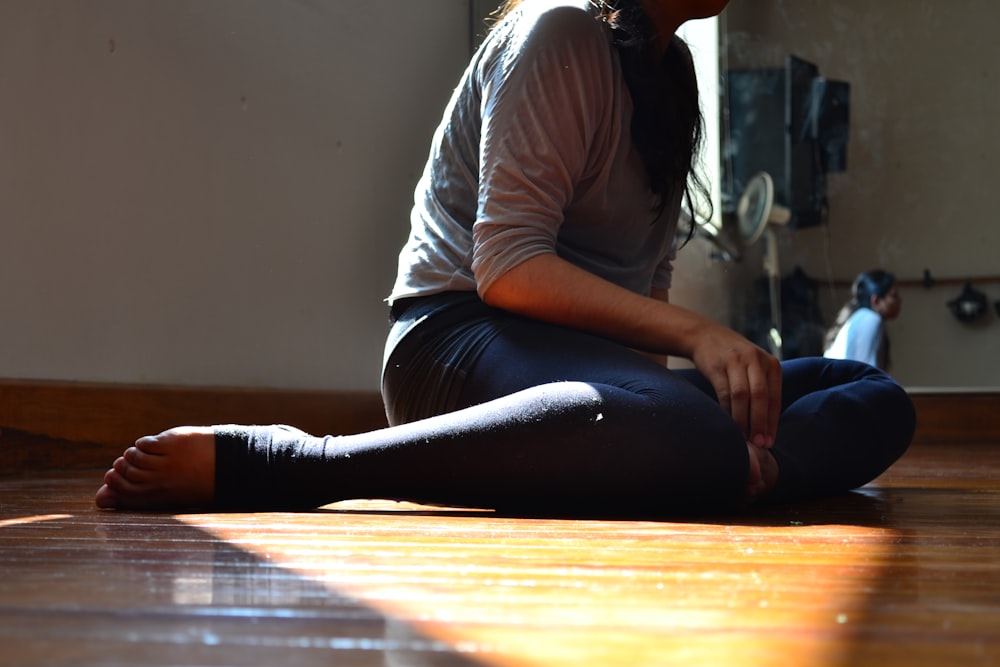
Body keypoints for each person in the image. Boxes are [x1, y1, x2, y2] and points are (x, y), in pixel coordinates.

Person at [95, 0, 915, 516]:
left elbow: (644, 279)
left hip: (579, 372)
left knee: (872, 396)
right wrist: (692, 355)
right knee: (684, 430)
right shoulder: (559, 33)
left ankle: (736, 468)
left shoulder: (673, 77)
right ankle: (293, 466)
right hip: (451, 340)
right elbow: (509, 266)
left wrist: (657, 420)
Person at [824, 270, 901, 370]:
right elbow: (866, 373)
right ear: (876, 301)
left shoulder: (861, 317)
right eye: (894, 295)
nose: (899, 300)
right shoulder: (870, 319)